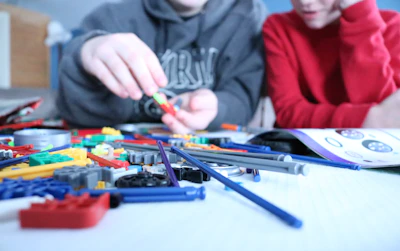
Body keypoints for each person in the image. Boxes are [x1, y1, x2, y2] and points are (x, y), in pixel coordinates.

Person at [57, 0, 267, 133]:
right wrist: (84, 57)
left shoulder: (249, 17)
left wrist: (219, 108)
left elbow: (242, 101)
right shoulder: (109, 18)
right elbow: (81, 118)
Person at [263, 0, 400, 128]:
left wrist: (359, 18)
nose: (305, 2)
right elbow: (288, 113)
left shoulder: (393, 25)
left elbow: (390, 120)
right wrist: (368, 118)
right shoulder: (278, 26)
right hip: (306, 149)